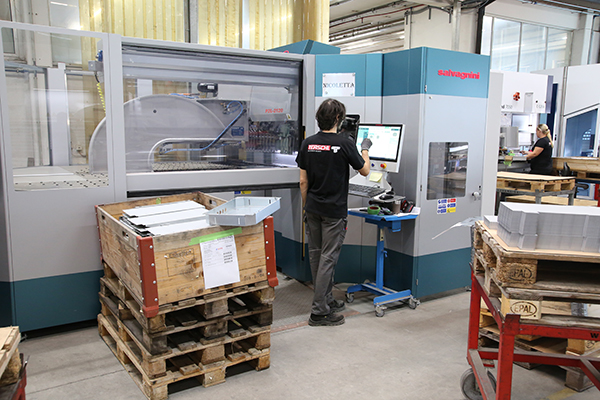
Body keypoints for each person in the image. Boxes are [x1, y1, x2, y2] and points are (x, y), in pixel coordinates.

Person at [295, 98, 371, 327]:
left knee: (317, 256)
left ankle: (326, 300)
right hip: (334, 212)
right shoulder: (345, 143)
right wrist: (365, 148)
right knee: (328, 259)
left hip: (313, 209)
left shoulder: (308, 143)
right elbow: (365, 170)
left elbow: (302, 182)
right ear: (338, 118)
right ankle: (319, 312)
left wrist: (307, 207)